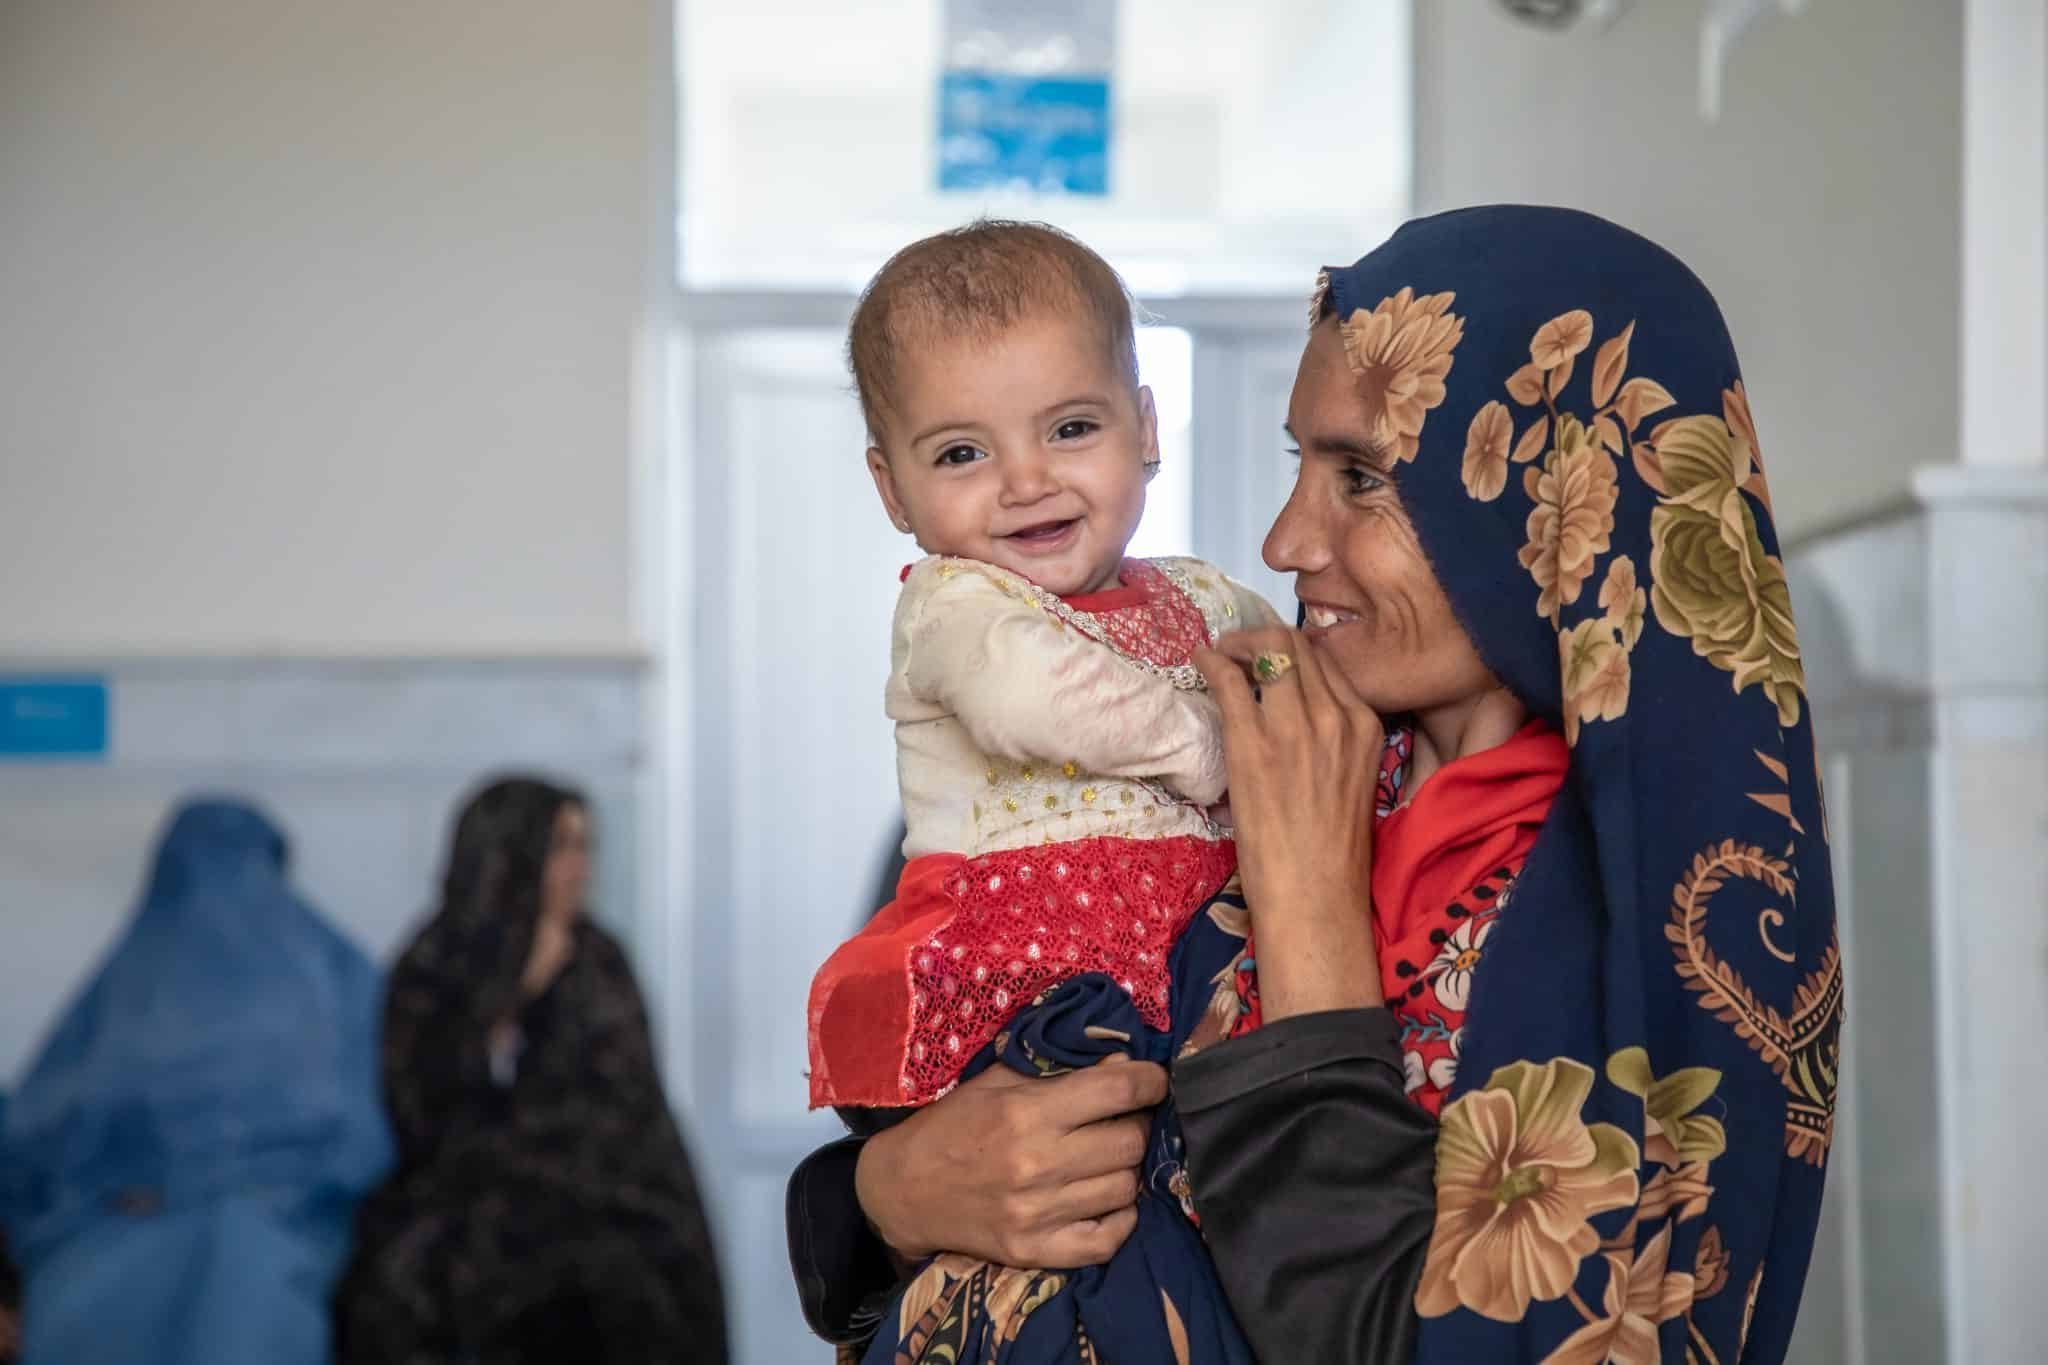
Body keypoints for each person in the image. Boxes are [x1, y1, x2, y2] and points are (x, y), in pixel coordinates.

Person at [789, 205, 1843, 1364]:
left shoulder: (1668, 913)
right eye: (1302, 464)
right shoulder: (1287, 738)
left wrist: (1307, 914)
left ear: (1550, 502)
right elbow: (952, 1137)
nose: (1285, 541)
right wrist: (884, 1197)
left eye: (1365, 479)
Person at [805, 219, 1282, 1361]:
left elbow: (1290, 673)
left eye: (1070, 428)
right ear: (891, 487)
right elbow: (1038, 696)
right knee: (1083, 1234)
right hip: (1032, 985)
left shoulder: (1201, 593)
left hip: (1181, 974)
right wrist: (1225, 748)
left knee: (1185, 1207)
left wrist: (1294, 696)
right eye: (961, 454)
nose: (1026, 482)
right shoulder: (955, 606)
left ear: (1145, 429)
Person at [338, 777, 727, 1365]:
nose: (578, 867)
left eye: (585, 847)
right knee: (403, 1279)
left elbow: (622, 1108)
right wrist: (510, 996)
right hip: (467, 1195)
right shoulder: (435, 964)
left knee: (625, 1280)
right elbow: (421, 1110)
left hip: (602, 1195)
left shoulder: (597, 960)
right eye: (560, 846)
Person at [0, 799, 392, 1365]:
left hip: (103, 1260)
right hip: (262, 1263)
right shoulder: (326, 969)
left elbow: (30, 1144)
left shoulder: (123, 986)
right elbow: (369, 1138)